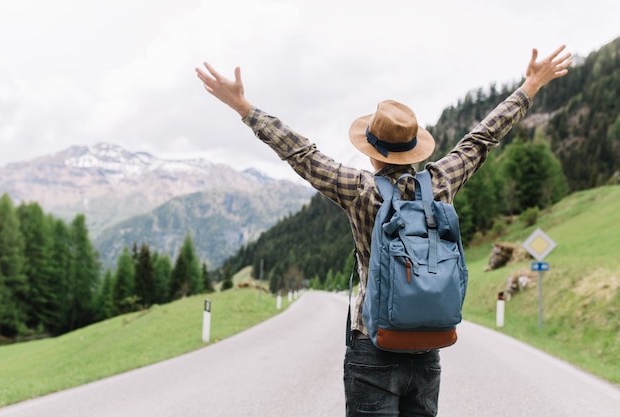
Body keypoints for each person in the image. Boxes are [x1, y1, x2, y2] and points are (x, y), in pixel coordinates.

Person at [195, 45, 572, 417]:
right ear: (414, 149)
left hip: (373, 344)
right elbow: (481, 139)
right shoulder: (441, 182)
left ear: (371, 151)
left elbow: (302, 154)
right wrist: (531, 86)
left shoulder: (359, 190)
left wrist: (244, 108)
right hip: (427, 347)